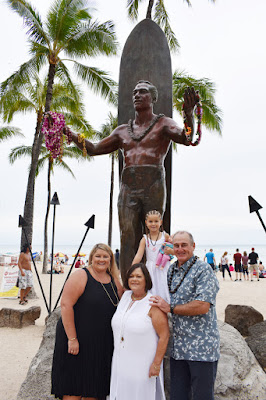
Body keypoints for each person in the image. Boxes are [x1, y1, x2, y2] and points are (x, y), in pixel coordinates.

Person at [68, 81, 199, 282]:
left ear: (153, 98)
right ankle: (129, 283)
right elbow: (93, 149)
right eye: (135, 92)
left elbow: (186, 138)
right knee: (127, 235)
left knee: (154, 236)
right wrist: (69, 133)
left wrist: (189, 114)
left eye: (143, 92)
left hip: (153, 183)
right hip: (128, 187)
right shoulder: (122, 131)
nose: (137, 95)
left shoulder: (163, 124)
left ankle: (155, 281)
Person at [149, 231, 220, 400]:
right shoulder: (172, 269)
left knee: (202, 397)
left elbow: (202, 306)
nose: (180, 249)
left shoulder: (203, 270)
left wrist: (171, 308)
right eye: (177, 245)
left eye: (184, 245)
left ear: (193, 246)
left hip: (201, 349)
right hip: (178, 349)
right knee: (178, 396)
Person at [51, 243, 123, 400]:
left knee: (95, 390)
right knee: (73, 389)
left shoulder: (114, 281)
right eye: (98, 256)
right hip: (77, 343)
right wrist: (72, 339)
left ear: (111, 259)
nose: (101, 259)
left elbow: (128, 300)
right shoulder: (81, 275)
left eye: (105, 256)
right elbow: (66, 305)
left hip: (101, 346)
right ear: (91, 258)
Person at [109, 263, 169, 400]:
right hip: (121, 361)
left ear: (146, 280)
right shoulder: (125, 297)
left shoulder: (153, 303)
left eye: (138, 276)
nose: (134, 279)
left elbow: (164, 335)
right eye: (131, 276)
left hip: (143, 365)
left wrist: (156, 363)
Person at [132, 210, 173, 302]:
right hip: (150, 268)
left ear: (161, 222)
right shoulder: (144, 239)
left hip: (163, 267)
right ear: (146, 223)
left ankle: (167, 308)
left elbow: (175, 249)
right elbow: (139, 255)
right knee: (151, 289)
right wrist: (132, 268)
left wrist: (170, 251)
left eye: (156, 221)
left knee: (164, 287)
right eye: (150, 221)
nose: (153, 224)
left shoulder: (165, 236)